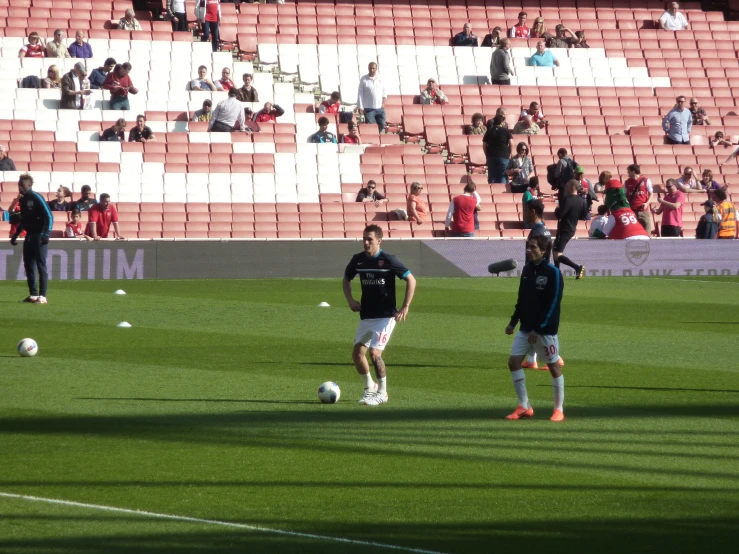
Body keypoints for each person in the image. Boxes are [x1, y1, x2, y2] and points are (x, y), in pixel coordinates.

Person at [342, 224, 416, 406]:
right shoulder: (358, 260)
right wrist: (350, 300)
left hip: (386, 317)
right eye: (364, 239)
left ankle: (382, 393)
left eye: (370, 239)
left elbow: (411, 279)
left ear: (379, 241)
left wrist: (405, 307)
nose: (366, 242)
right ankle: (369, 388)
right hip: (367, 316)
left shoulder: (389, 260)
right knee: (357, 354)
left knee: (375, 354)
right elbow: (346, 279)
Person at [504, 234, 565, 421]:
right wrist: (513, 322)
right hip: (526, 328)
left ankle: (558, 409)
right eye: (528, 247)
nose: (528, 250)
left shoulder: (553, 272)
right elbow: (522, 300)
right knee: (513, 362)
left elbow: (553, 303)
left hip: (545, 330)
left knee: (553, 366)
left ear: (544, 251)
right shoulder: (527, 270)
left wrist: (538, 329)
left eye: (533, 247)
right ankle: (524, 406)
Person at [10, 174, 53, 304]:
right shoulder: (23, 200)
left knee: (41, 265)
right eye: (19, 186)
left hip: (39, 235)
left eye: (22, 186)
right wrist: (17, 234)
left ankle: (43, 296)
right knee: (28, 265)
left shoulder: (36, 197)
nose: (20, 188)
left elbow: (49, 215)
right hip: (29, 236)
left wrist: (46, 233)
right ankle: (33, 294)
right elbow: (23, 219)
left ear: (29, 186)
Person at [553, 180, 588, 279]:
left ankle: (577, 267)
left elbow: (560, 214)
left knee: (557, 254)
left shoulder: (567, 199)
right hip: (572, 228)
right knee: (555, 248)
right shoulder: (582, 201)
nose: (565, 187)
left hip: (564, 228)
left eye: (567, 186)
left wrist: (557, 210)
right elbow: (584, 215)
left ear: (573, 187)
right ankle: (557, 272)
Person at [483, 114, 513, 184]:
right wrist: (509, 153)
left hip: (491, 155)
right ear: (502, 122)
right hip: (503, 155)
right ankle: (501, 193)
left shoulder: (489, 131)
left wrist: (486, 154)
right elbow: (511, 143)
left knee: (492, 176)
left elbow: (484, 145)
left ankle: (492, 192)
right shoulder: (506, 131)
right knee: (503, 175)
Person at [623, 164, 653, 233]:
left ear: (633, 171)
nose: (627, 173)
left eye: (628, 171)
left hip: (643, 210)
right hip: (632, 211)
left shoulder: (646, 180)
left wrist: (647, 203)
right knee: (633, 232)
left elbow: (651, 194)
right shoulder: (627, 182)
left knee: (647, 231)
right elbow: (624, 195)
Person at [357, 62, 387, 132]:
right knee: (370, 126)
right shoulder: (364, 79)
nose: (372, 70)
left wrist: (383, 102)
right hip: (369, 108)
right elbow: (360, 93)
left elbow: (384, 91)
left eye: (373, 68)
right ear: (368, 69)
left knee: (382, 123)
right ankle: (372, 137)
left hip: (380, 108)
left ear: (376, 69)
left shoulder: (381, 78)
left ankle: (376, 134)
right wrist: (360, 106)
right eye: (370, 68)